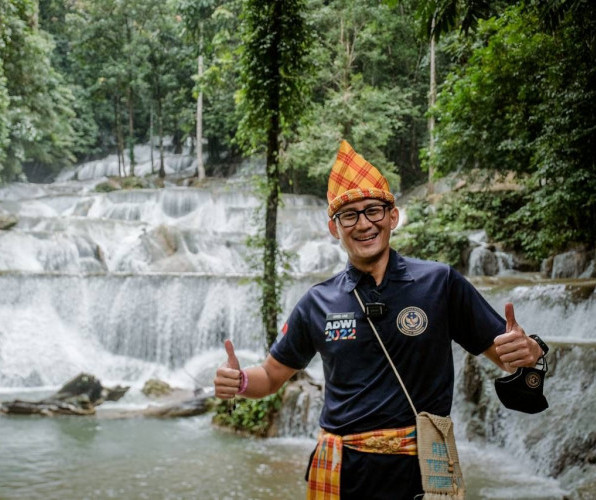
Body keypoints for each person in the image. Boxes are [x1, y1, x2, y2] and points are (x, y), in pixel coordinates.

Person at [213, 140, 547, 499]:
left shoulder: (440, 283)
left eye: (373, 210)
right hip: (341, 471)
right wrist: (241, 381)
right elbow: (272, 376)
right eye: (349, 215)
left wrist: (527, 350)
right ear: (334, 228)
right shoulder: (317, 302)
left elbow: (508, 356)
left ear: (393, 216)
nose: (364, 224)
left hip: (423, 467)